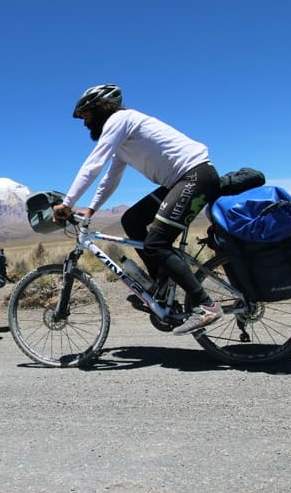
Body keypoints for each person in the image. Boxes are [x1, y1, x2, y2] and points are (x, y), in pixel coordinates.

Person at [52, 84, 223, 334]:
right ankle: (160, 285)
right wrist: (91, 210)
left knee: (156, 243)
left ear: (101, 108)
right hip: (181, 181)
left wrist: (67, 203)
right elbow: (111, 177)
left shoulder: (120, 119)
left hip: (195, 176)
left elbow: (93, 164)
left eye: (87, 115)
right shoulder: (122, 140)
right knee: (132, 220)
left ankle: (206, 305)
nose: (85, 123)